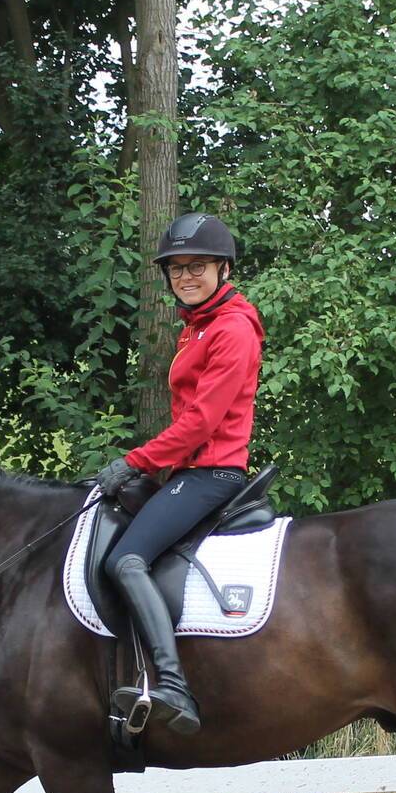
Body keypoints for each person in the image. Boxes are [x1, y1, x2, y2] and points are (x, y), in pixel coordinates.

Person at [89, 212, 264, 735]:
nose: (186, 277)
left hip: (212, 472)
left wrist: (136, 460)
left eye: (198, 267)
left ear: (223, 268)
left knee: (126, 560)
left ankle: (172, 685)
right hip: (185, 468)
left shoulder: (231, 328)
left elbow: (203, 421)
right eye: (176, 269)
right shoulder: (199, 326)